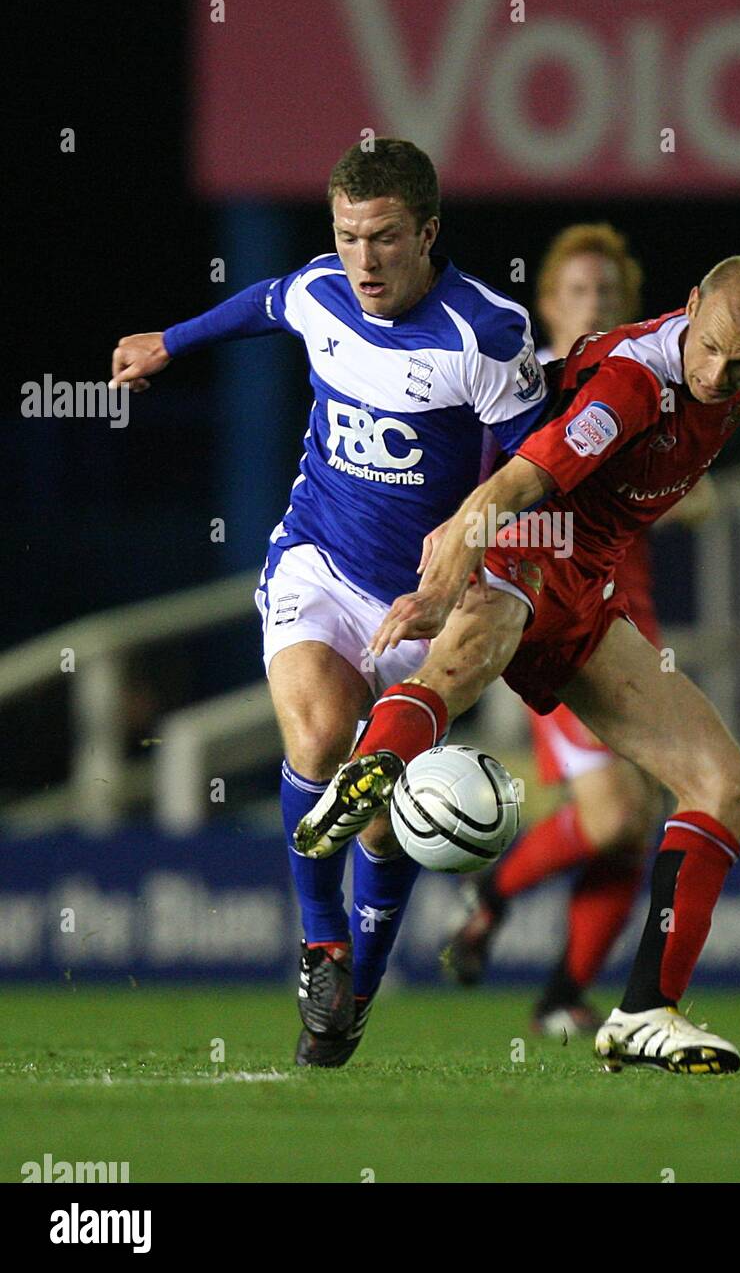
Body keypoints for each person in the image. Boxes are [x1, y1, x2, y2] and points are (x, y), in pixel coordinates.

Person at [296, 254, 740, 1074]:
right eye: (713, 348)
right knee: (469, 657)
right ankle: (372, 766)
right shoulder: (630, 387)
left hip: (594, 587)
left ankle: (645, 1011)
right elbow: (508, 490)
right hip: (529, 549)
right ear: (690, 306)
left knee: (724, 785)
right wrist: (441, 586)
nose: (722, 374)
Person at [110, 138, 549, 1067]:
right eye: (348, 235)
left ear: (428, 232)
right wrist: (168, 343)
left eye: (385, 237)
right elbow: (266, 302)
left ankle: (360, 988)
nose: (363, 259)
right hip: (318, 562)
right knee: (316, 744)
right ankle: (322, 948)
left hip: (427, 604)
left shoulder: (487, 336)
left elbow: (535, 476)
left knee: (388, 819)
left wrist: (465, 580)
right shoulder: (321, 290)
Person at [447, 223, 716, 1037]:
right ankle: (494, 892)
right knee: (612, 813)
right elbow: (486, 489)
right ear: (548, 304)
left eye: (606, 294)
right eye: (577, 293)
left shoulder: (646, 385)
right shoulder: (528, 393)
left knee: (635, 820)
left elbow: (699, 496)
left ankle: (562, 993)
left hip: (629, 617)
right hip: (552, 615)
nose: (592, 304)